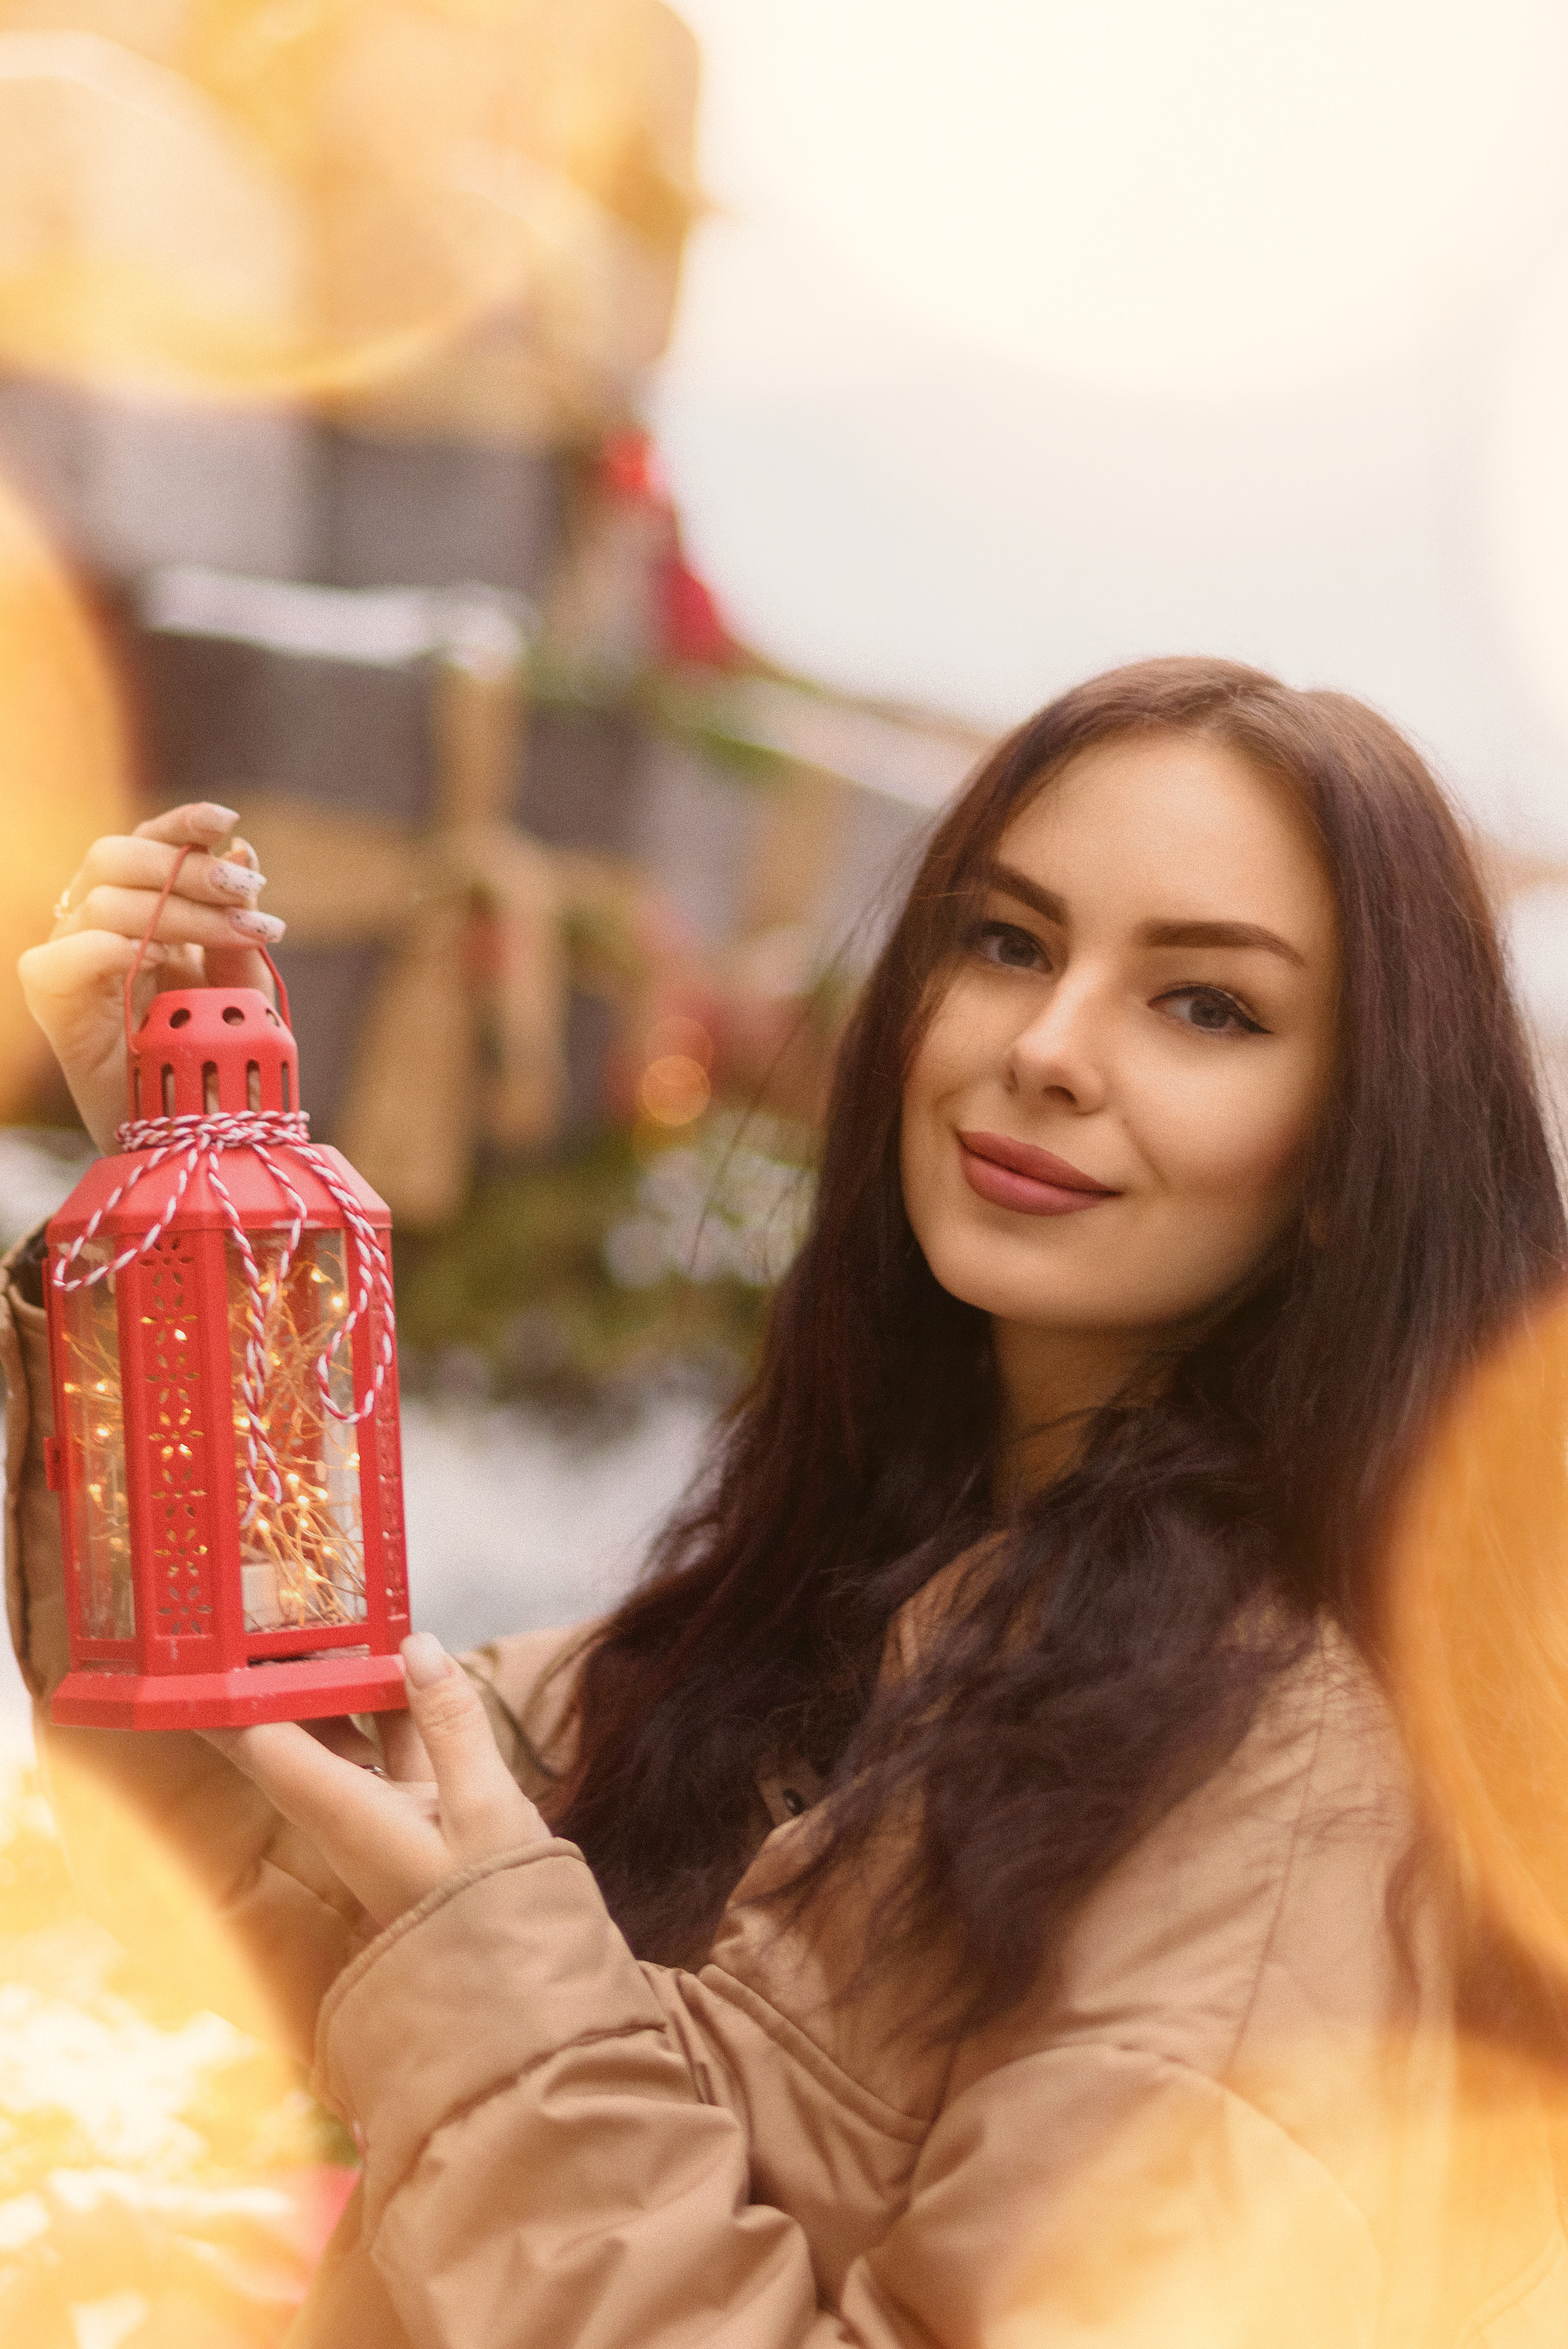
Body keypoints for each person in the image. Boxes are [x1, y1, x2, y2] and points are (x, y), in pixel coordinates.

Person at [7, 656, 1568, 2347]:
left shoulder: (1287, 1788)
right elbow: (301, 1821)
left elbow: (458, 1967)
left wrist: (486, 1998)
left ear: (1355, 1158)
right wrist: (194, 1209)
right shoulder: (880, 1580)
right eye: (1010, 942)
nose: (1047, 1047)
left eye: (1207, 1006)